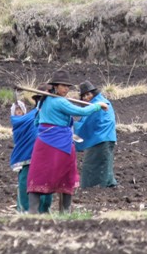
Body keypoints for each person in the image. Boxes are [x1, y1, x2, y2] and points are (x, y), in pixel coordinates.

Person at [26, 70, 108, 214]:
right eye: (63, 86)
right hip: (60, 144)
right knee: (65, 173)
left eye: (67, 86)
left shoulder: (44, 101)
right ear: (55, 86)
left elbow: (37, 122)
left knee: (39, 173)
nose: (66, 89)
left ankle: (34, 212)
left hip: (44, 141)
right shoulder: (59, 102)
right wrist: (97, 105)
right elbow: (80, 111)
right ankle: (63, 211)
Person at [9, 88, 53, 213]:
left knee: (46, 182)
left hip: (45, 155)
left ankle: (44, 210)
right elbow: (18, 124)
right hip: (27, 156)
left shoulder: (50, 115)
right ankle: (24, 209)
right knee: (26, 182)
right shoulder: (27, 118)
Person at [74, 80, 118, 188]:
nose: (85, 98)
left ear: (93, 93)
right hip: (108, 137)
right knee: (105, 163)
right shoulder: (103, 102)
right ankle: (109, 185)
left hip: (100, 139)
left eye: (88, 94)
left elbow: (88, 123)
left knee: (90, 165)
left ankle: (93, 188)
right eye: (83, 96)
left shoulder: (97, 105)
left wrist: (72, 127)